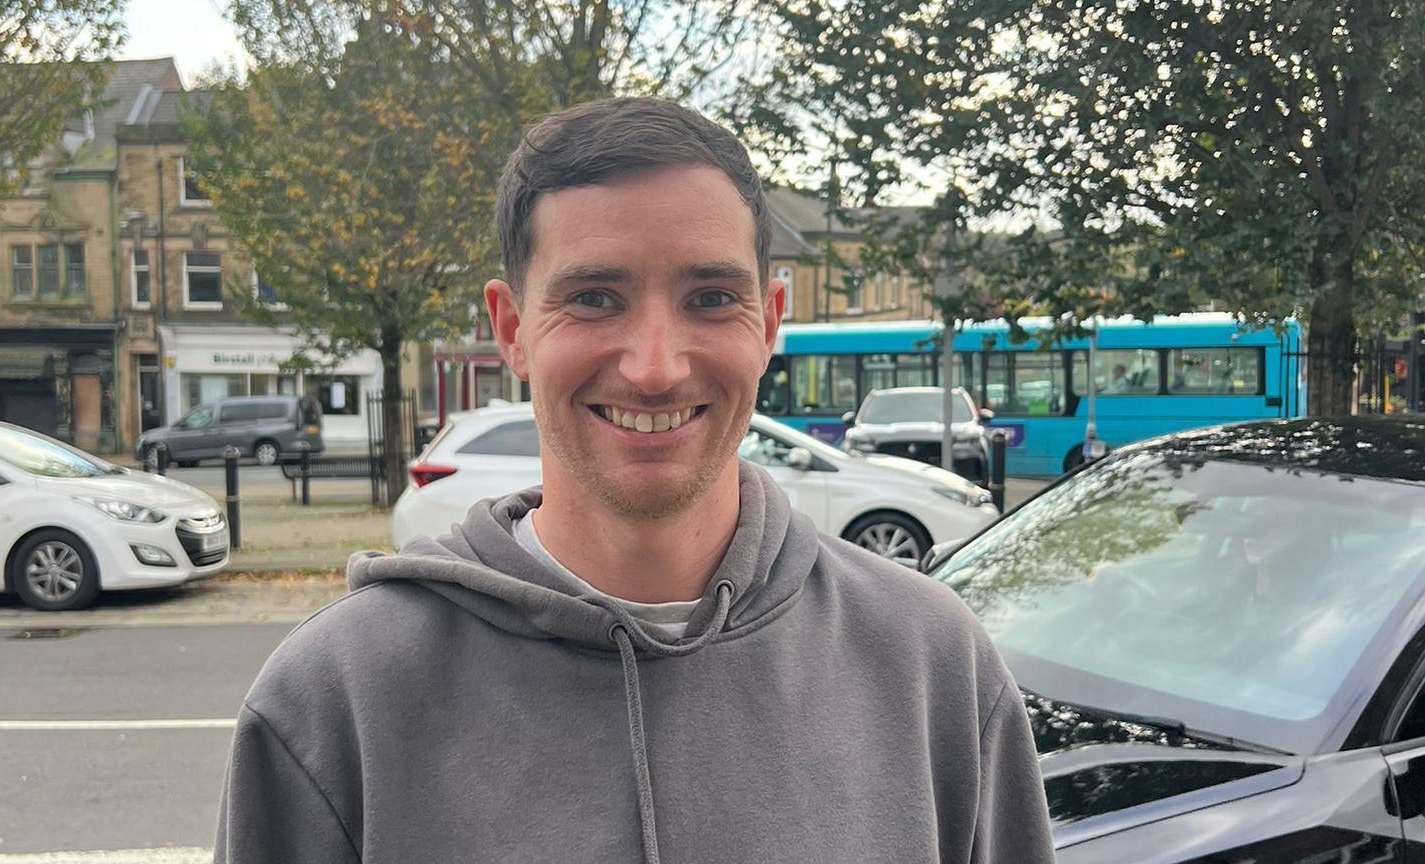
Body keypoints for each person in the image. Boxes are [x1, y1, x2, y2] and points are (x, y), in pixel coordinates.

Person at [214, 97, 1053, 864]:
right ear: (512, 331)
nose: (655, 368)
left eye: (712, 297)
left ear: (770, 323)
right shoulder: (334, 701)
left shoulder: (932, 665)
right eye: (594, 299)